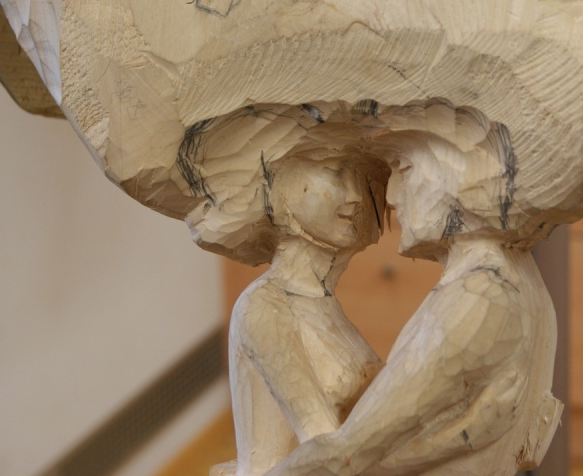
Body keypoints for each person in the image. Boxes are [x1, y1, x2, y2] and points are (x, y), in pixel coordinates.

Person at [266, 101, 562, 476]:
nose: (390, 196)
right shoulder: (517, 276)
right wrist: (460, 437)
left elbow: (346, 457)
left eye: (404, 169)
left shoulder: (478, 297)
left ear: (455, 175)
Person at [176, 106, 390, 476]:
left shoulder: (322, 303)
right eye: (334, 171)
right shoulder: (264, 307)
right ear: (279, 185)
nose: (356, 194)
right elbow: (323, 442)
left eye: (360, 176)